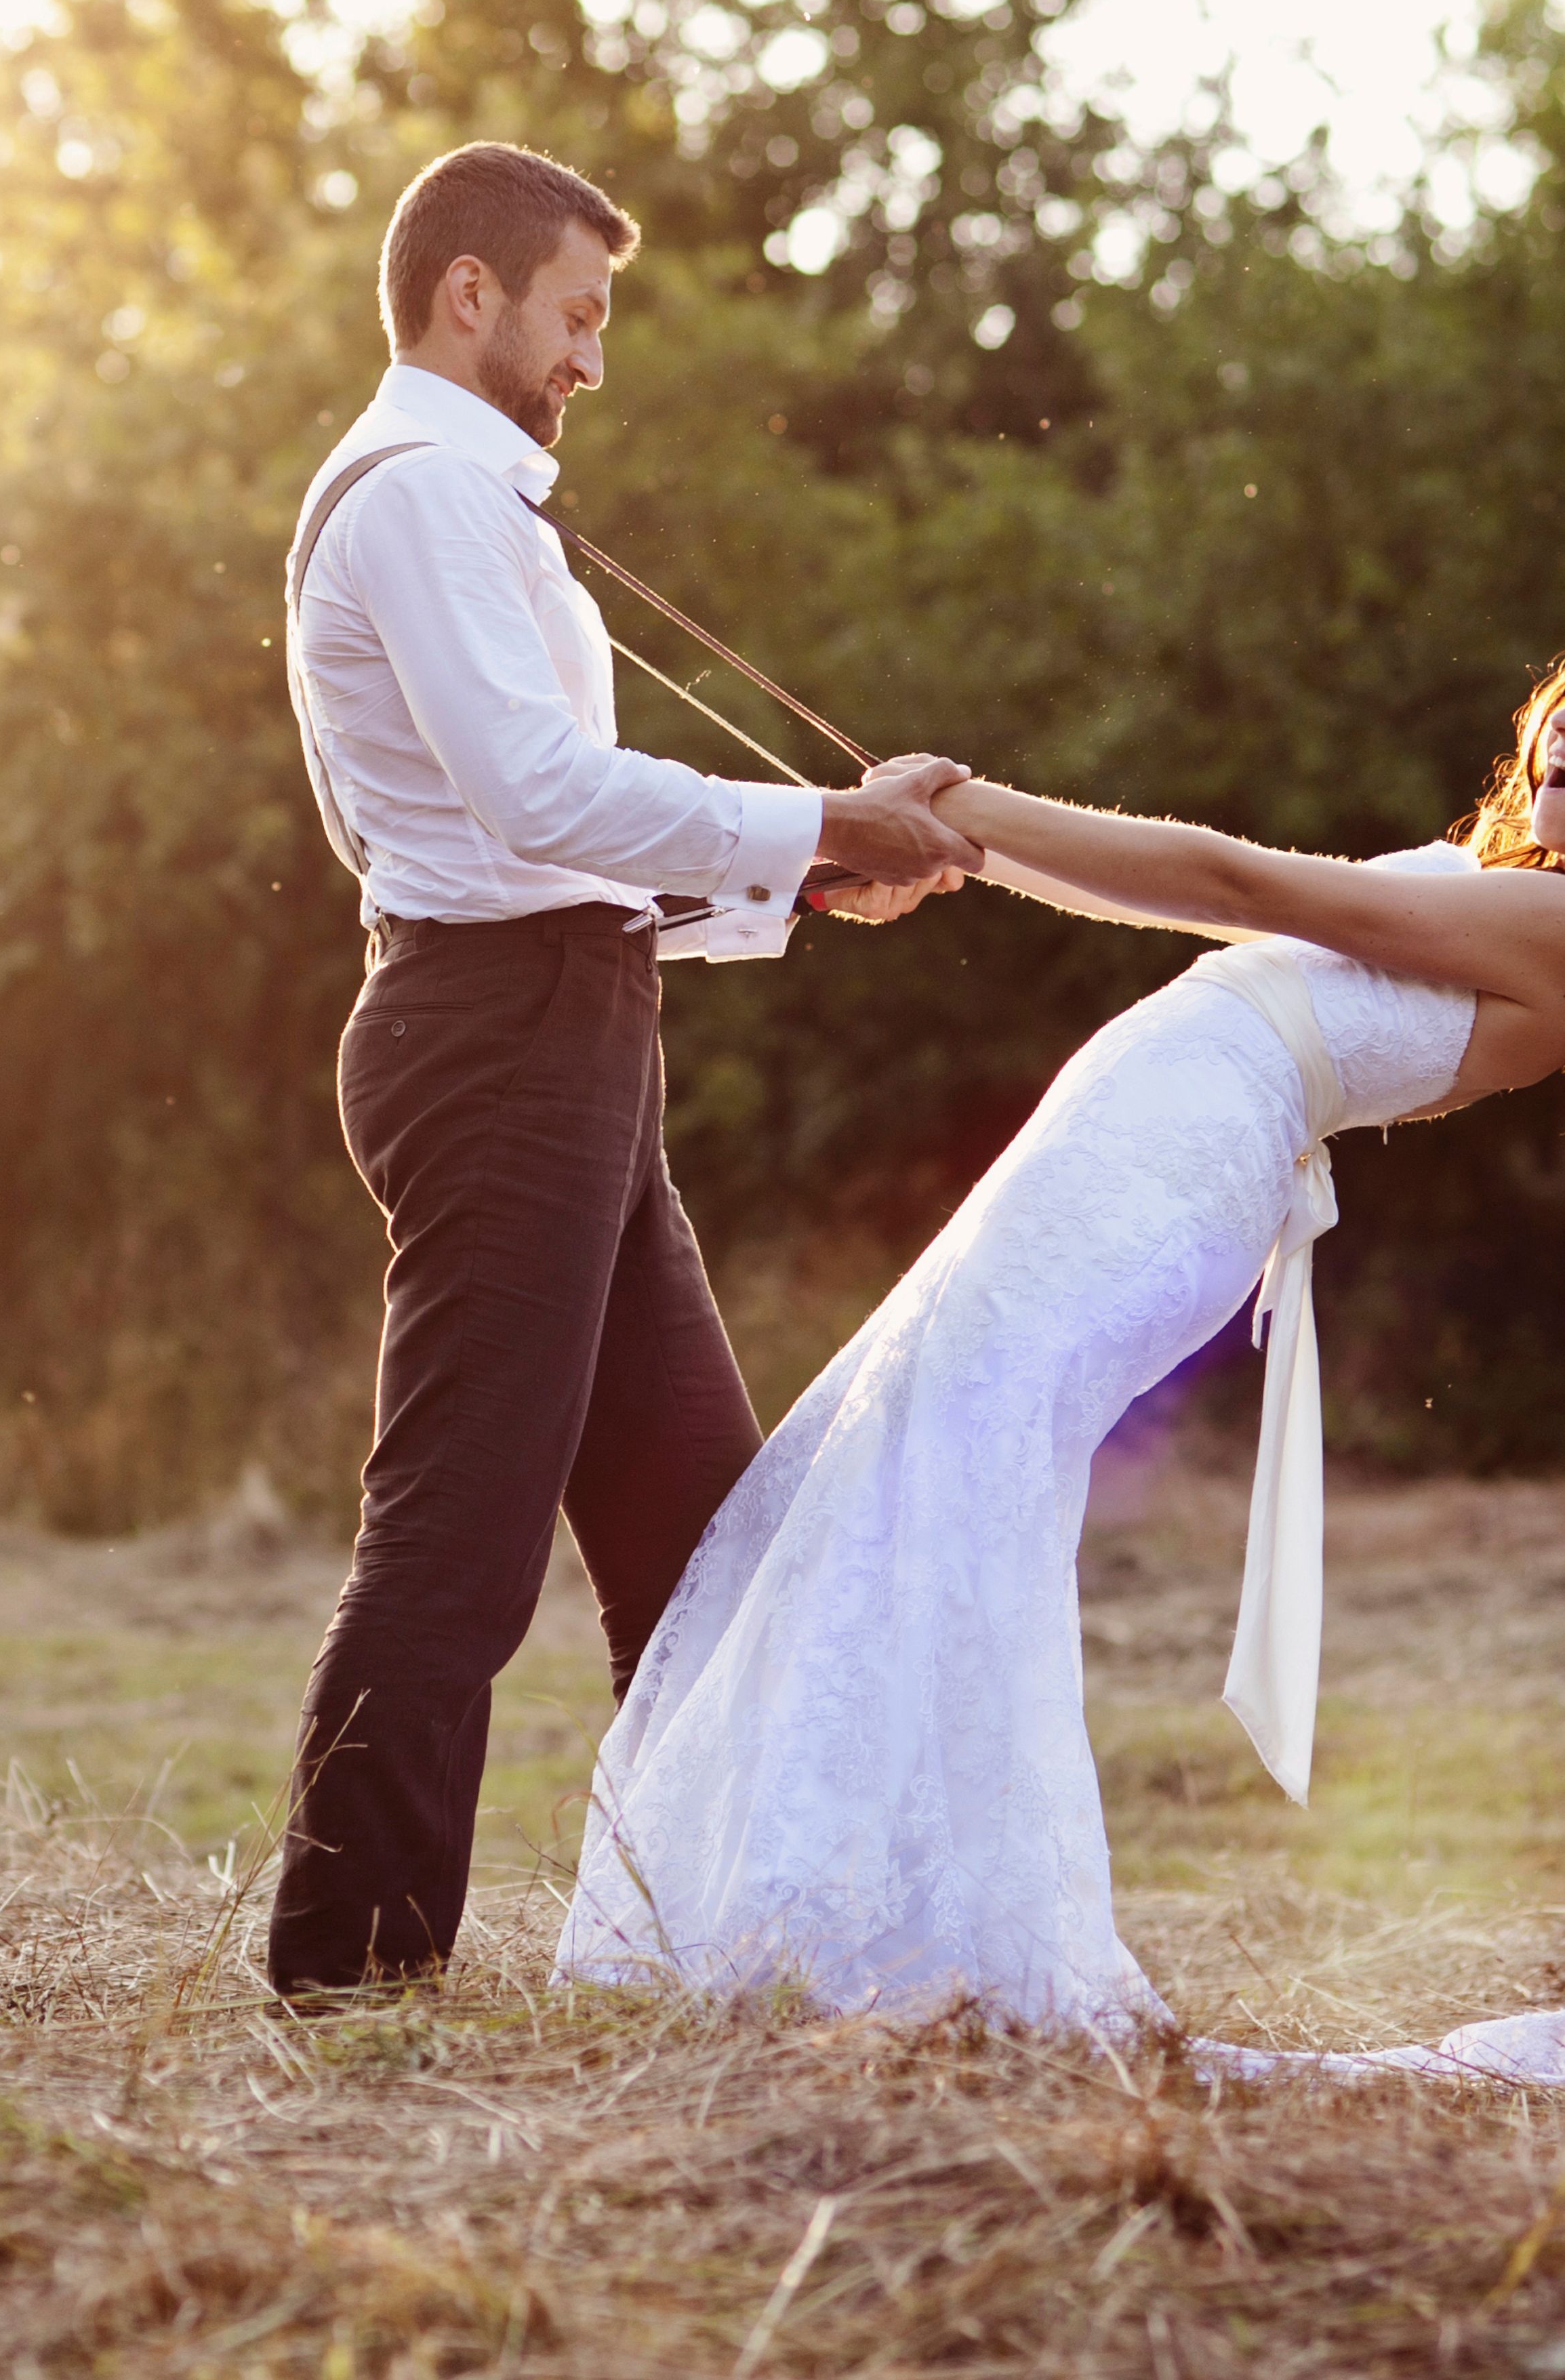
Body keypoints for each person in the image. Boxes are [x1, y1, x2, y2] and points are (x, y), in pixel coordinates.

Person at [560, 663, 1565, 2040]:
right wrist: (961, 839)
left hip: (1181, 1153)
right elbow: (1177, 898)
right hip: (1145, 1126)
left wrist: (960, 798)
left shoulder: (1555, 917)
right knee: (918, 1448)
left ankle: (927, 1942)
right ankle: (834, 1909)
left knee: (952, 1462)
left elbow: (1236, 884)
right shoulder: (1481, 879)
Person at [266, 140, 984, 2002]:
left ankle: (718, 1943)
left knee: (698, 1528)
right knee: (460, 1535)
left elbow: (556, 860)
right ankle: (347, 1984)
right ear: (468, 294)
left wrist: (807, 876)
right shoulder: (421, 492)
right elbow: (531, 800)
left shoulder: (475, 500)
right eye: (577, 312)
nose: (593, 356)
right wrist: (810, 815)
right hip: (492, 1046)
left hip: (562, 1033)